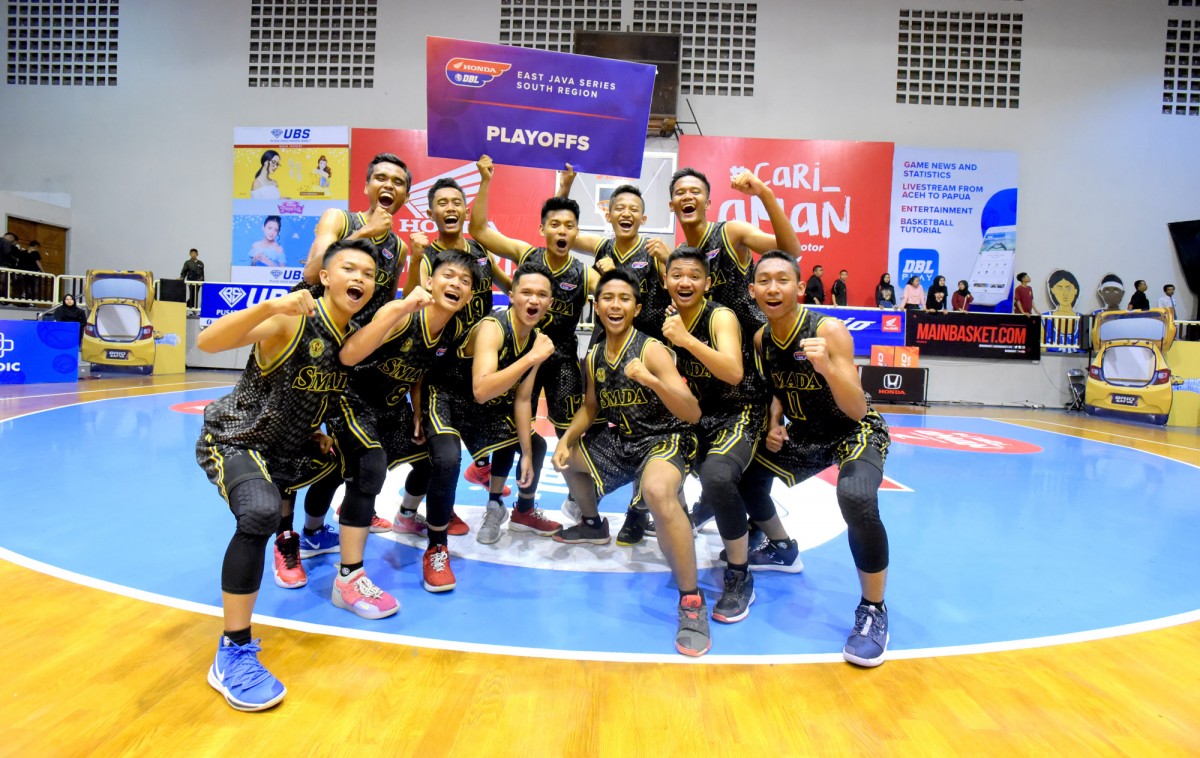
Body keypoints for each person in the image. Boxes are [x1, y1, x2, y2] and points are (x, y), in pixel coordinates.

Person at [195, 237, 378, 712]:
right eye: (350, 269)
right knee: (258, 512)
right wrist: (269, 305)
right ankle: (233, 652)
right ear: (326, 277)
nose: (359, 278)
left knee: (355, 459)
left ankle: (315, 539)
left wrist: (315, 430)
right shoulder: (291, 320)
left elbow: (308, 389)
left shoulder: (351, 337)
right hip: (237, 439)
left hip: (289, 449)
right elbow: (206, 342)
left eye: (368, 274)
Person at [741, 251, 893, 667]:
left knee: (857, 497)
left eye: (782, 280)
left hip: (853, 430)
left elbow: (857, 408)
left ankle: (873, 610)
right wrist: (774, 422)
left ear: (799, 287)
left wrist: (826, 367)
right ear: (752, 291)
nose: (773, 288)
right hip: (806, 433)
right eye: (764, 281)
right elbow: (776, 388)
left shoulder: (829, 330)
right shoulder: (762, 338)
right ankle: (782, 548)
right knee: (742, 476)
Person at [551, 270, 707, 656]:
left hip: (666, 438)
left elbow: (691, 412)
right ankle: (592, 524)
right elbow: (590, 407)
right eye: (608, 298)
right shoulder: (593, 356)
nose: (615, 305)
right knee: (567, 461)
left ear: (636, 309)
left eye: (624, 299)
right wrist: (566, 440)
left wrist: (651, 380)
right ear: (596, 306)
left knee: (656, 491)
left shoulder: (651, 350)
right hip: (625, 441)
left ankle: (691, 600)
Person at [660, 246, 797, 623]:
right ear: (665, 280)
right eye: (677, 275)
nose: (685, 282)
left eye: (694, 276)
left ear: (707, 283)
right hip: (702, 415)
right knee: (671, 465)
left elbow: (734, 372)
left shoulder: (720, 316)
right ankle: (779, 545)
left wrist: (686, 340)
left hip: (742, 410)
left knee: (718, 477)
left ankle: (739, 575)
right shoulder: (670, 319)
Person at [328, 250, 474, 602]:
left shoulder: (451, 330)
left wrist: (419, 413)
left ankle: (407, 515)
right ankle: (347, 575)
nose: (456, 284)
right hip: (352, 400)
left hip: (392, 409)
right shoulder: (402, 314)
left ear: (470, 296)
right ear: (429, 281)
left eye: (465, 281)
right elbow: (348, 355)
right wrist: (397, 309)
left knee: (432, 458)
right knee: (367, 466)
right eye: (449, 276)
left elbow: (418, 369)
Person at [294, 153, 419, 544]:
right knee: (306, 451)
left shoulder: (398, 247)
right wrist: (364, 233)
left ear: (405, 195)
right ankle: (299, 535)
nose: (388, 185)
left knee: (360, 452)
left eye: (398, 182)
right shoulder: (339, 219)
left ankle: (346, 514)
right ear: (366, 186)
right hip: (315, 351)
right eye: (380, 178)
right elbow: (312, 272)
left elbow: (386, 303)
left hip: (359, 361)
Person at [468, 155, 598, 441]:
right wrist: (485, 181)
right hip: (521, 354)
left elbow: (619, 296)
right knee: (509, 431)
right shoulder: (526, 254)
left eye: (569, 226)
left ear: (576, 232)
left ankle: (571, 471)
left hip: (561, 360)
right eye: (554, 225)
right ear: (542, 229)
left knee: (569, 433)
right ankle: (506, 464)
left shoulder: (585, 274)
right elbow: (478, 231)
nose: (561, 231)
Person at [404, 176, 515, 503]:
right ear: (430, 213)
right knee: (443, 453)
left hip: (480, 360)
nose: (450, 208)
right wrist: (415, 258)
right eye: (442, 203)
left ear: (466, 211)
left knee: (506, 429)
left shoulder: (479, 251)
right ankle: (429, 508)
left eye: (456, 202)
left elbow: (508, 285)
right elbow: (413, 303)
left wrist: (535, 292)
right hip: (441, 366)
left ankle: (482, 468)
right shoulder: (428, 257)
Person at [448, 262, 561, 552]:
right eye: (526, 292)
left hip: (487, 409)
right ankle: (418, 512)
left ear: (550, 302)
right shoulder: (493, 327)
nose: (533, 300)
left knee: (533, 444)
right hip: (454, 403)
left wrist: (526, 453)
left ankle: (512, 509)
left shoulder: (536, 340)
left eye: (541, 295)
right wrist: (531, 357)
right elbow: (481, 391)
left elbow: (522, 399)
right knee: (443, 455)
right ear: (512, 296)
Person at [1043, 269, 1082, 352]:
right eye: (1059, 288)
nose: (1064, 293)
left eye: (1068, 288)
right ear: (1052, 290)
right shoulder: (1044, 319)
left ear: (1075, 290)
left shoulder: (1083, 320)